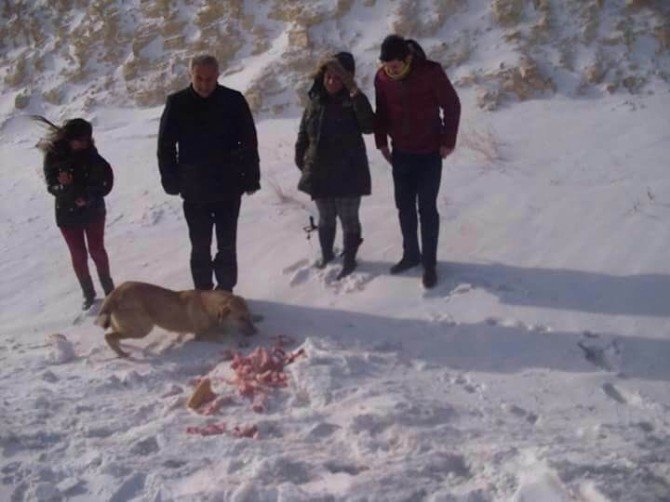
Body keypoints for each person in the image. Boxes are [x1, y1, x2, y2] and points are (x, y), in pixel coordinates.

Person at [158, 54, 260, 292]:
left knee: (227, 245)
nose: (204, 84)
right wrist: (171, 180)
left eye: (209, 79)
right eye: (199, 78)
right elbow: (165, 147)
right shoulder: (177, 103)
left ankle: (225, 292)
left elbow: (249, 142)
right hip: (194, 189)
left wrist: (251, 176)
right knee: (200, 246)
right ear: (190, 75)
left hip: (228, 186)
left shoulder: (233, 100)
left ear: (218, 76)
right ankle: (204, 295)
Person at [374, 35, 461, 288]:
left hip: (429, 153)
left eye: (396, 66)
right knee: (404, 207)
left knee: (427, 208)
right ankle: (411, 254)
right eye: (387, 65)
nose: (391, 70)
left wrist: (448, 141)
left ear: (408, 58)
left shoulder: (430, 73)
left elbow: (452, 105)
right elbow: (381, 111)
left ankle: (430, 264)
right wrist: (381, 142)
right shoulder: (382, 78)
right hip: (401, 153)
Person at [294, 52, 374, 279]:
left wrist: (354, 91)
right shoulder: (315, 99)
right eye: (328, 76)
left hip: (348, 171)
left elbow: (369, 125)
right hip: (320, 171)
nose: (331, 82)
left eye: (338, 78)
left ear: (347, 79)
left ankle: (349, 259)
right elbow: (304, 131)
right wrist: (300, 156)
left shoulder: (353, 100)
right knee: (326, 217)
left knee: (349, 218)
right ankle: (327, 253)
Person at [41, 118, 115, 309]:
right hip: (67, 214)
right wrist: (65, 187)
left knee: (97, 250)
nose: (85, 143)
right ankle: (88, 294)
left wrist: (88, 197)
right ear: (69, 139)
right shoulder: (53, 156)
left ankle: (110, 291)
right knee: (78, 254)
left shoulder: (92, 155)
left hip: (94, 211)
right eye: (80, 140)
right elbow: (52, 186)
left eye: (87, 139)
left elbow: (104, 183)